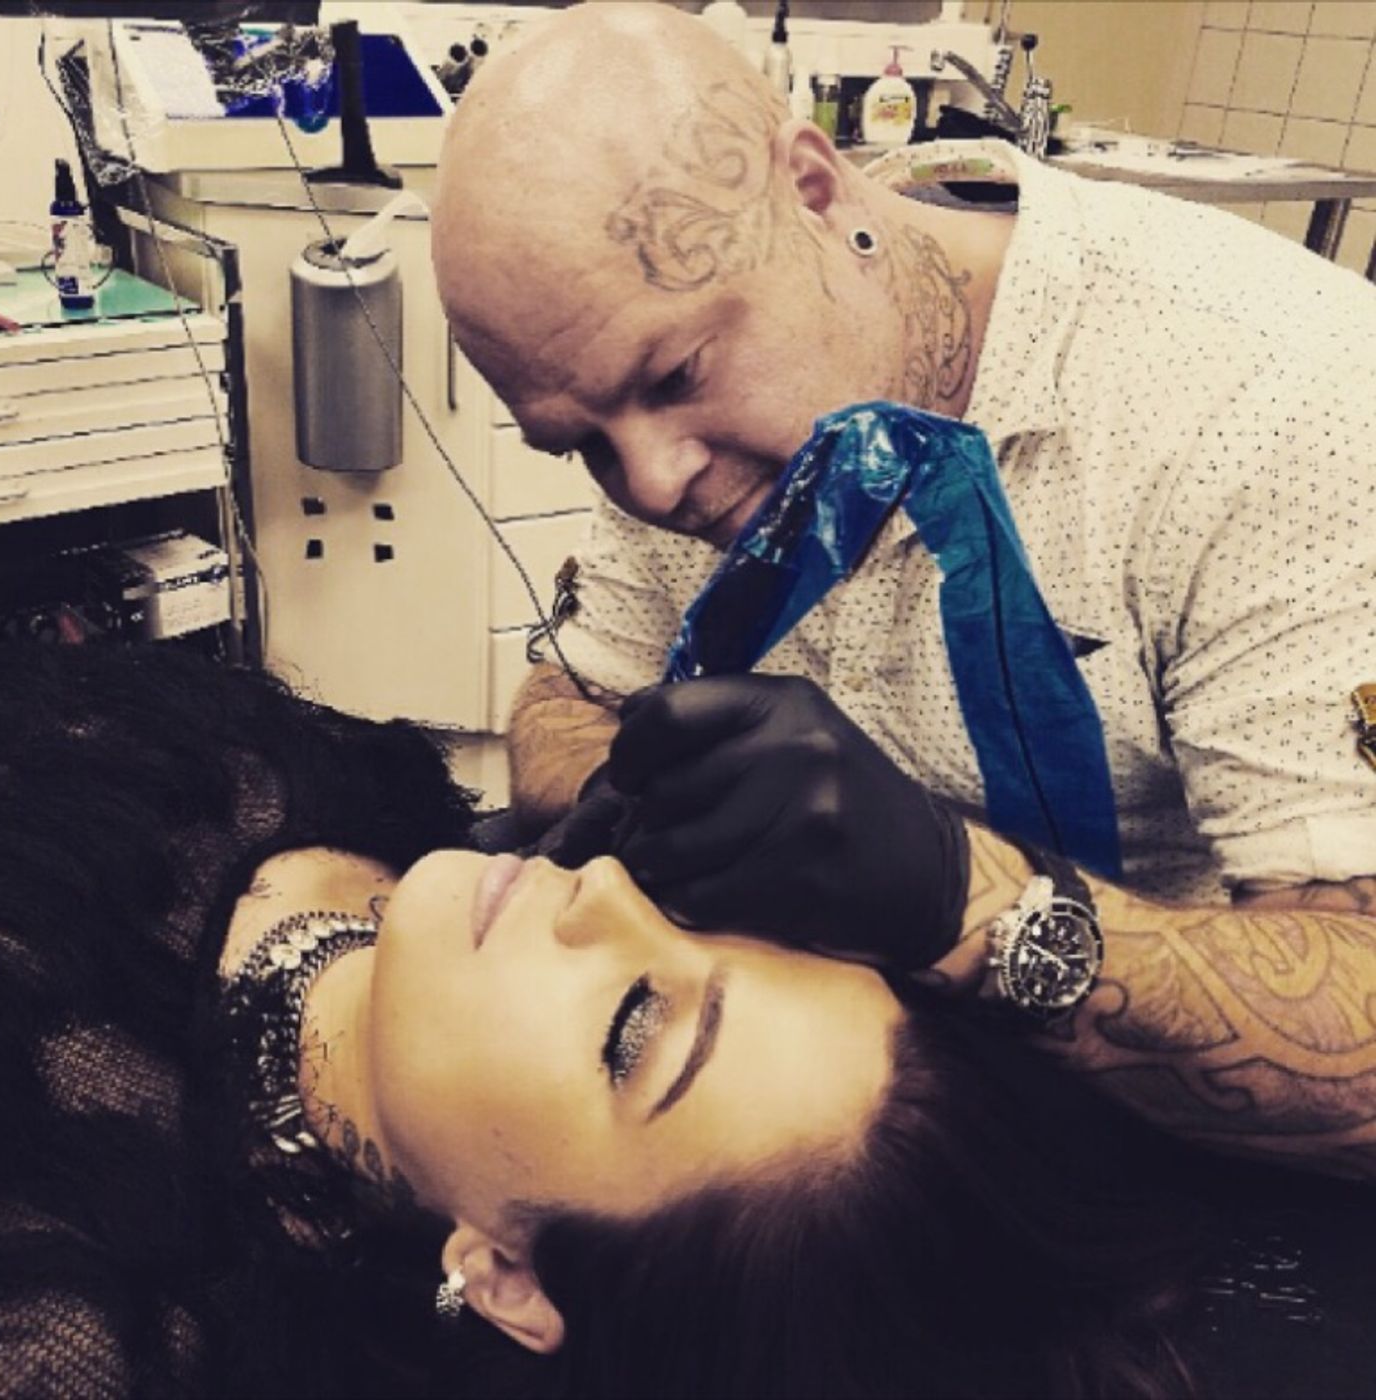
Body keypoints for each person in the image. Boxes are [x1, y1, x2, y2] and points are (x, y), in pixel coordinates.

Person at [430, 3, 1376, 1172]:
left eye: (673, 374)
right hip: (843, 1113)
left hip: (1162, 1141)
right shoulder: (669, 427)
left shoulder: (1276, 405)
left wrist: (963, 899)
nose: (653, 481)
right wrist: (650, 798)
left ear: (814, 192)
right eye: (580, 441)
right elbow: (565, 696)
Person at [0, 640, 1376, 1399]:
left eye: (630, 1031)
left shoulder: (66, 1298)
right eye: (722, 920)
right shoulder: (374, 806)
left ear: (509, 1276)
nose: (606, 894)